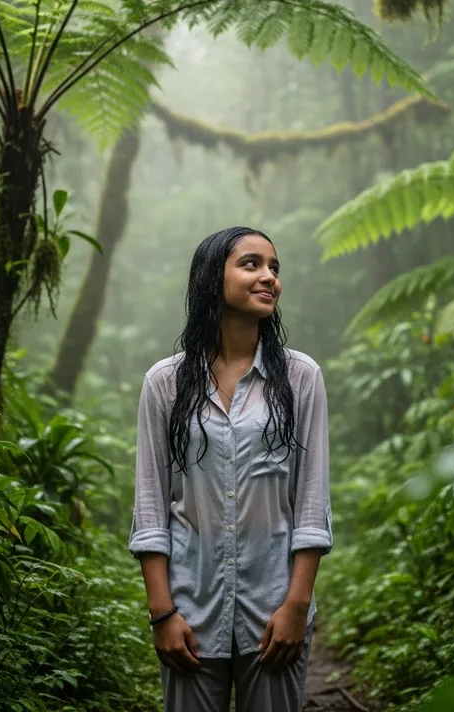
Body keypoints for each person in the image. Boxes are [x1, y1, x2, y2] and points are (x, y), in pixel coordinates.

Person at [129, 226, 333, 712]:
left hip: (274, 611)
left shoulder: (301, 377)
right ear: (210, 279)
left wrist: (296, 609)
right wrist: (163, 614)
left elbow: (311, 503)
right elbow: (151, 505)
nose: (269, 277)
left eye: (274, 268)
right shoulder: (166, 382)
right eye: (251, 264)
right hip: (190, 613)